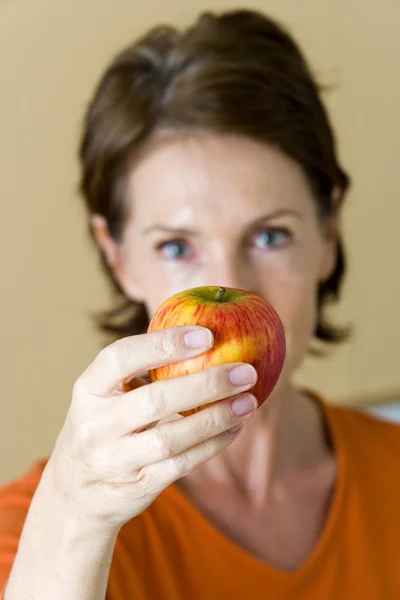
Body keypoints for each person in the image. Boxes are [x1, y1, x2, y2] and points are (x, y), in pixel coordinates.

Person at [1, 8, 399, 600]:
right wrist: (75, 514)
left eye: (270, 235)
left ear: (328, 234)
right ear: (118, 258)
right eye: (176, 246)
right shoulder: (45, 526)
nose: (229, 280)